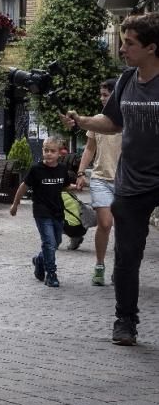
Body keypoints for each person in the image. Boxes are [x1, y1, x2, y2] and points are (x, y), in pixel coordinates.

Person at [62, 12, 159, 346]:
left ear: (152, 47)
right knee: (127, 255)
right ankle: (125, 321)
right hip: (132, 182)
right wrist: (83, 120)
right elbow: (113, 122)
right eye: (122, 41)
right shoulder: (127, 80)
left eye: (129, 43)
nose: (121, 48)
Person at [74, 79, 122, 284]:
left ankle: (121, 267)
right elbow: (90, 148)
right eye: (101, 94)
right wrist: (81, 172)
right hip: (101, 178)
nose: (102, 98)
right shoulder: (97, 121)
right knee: (105, 222)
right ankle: (100, 265)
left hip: (126, 180)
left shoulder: (128, 119)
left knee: (126, 227)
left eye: (106, 95)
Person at [9, 137, 72, 288]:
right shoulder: (36, 169)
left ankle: (39, 260)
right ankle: (51, 274)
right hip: (41, 212)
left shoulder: (62, 169)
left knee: (56, 242)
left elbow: (65, 186)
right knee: (49, 243)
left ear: (59, 153)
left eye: (52, 151)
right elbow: (23, 187)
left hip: (57, 210)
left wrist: (76, 186)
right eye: (46, 150)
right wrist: (15, 204)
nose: (49, 154)